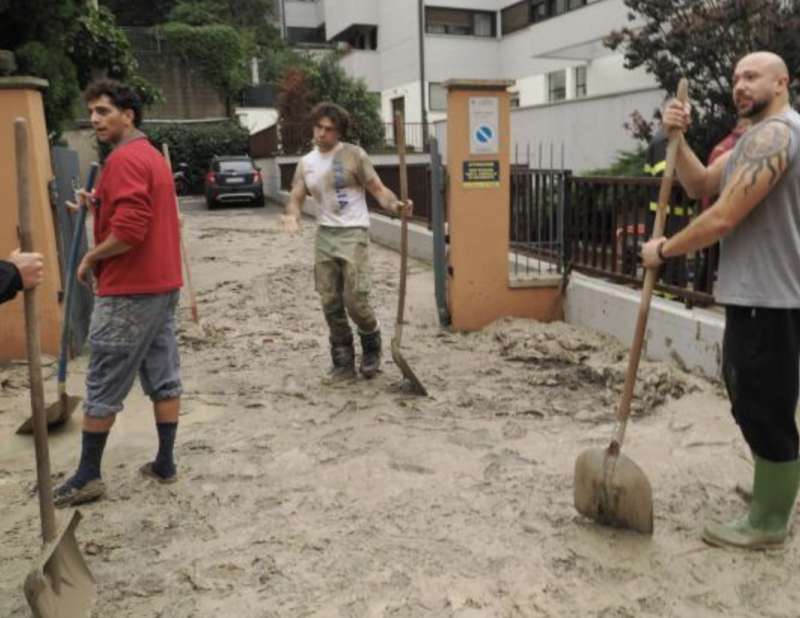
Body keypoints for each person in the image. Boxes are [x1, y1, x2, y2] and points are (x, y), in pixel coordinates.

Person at [642, 52, 800, 549]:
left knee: (762, 407)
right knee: (757, 400)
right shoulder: (755, 138)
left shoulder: (778, 135)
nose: (739, 85)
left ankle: (769, 522)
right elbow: (699, 185)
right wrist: (678, 139)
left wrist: (663, 250)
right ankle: (770, 490)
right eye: (735, 77)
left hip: (769, 298)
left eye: (751, 77)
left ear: (782, 81)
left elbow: (723, 218)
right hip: (763, 295)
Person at [53, 79, 183, 507]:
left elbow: (129, 231)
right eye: (92, 112)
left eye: (104, 111)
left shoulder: (124, 159)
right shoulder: (148, 155)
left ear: (129, 115)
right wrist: (98, 203)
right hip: (162, 284)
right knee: (163, 374)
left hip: (129, 289)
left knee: (104, 376)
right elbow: (132, 209)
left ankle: (89, 475)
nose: (95, 119)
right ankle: (165, 462)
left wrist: (91, 258)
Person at [281, 102, 411, 380]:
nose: (322, 133)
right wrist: (292, 216)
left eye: (329, 129)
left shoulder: (354, 155)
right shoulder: (306, 163)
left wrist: (396, 206)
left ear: (339, 132)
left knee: (355, 300)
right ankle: (342, 359)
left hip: (354, 233)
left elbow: (378, 189)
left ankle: (371, 345)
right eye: (319, 127)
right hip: (325, 235)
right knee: (329, 301)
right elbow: (295, 196)